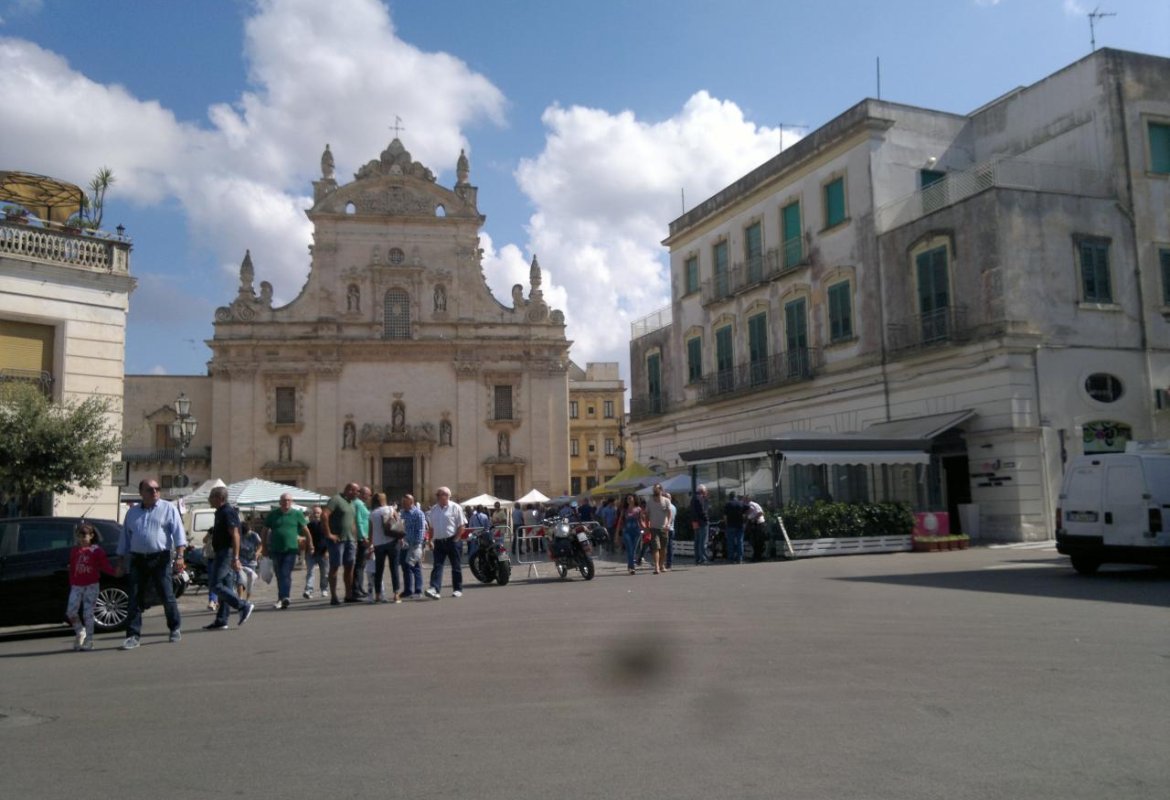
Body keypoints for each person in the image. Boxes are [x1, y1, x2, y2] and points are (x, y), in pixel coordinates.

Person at [117, 478, 187, 649]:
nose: (155, 492)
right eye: (150, 489)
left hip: (160, 558)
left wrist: (180, 556)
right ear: (141, 493)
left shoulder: (168, 508)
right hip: (138, 559)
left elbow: (179, 534)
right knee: (134, 597)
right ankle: (133, 636)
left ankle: (174, 627)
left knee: (166, 595)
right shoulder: (132, 513)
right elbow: (125, 538)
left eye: (157, 489)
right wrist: (120, 562)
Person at [203, 486, 256, 630]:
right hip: (221, 551)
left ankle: (243, 606)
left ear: (220, 498)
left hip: (226, 553)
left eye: (211, 496)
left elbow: (236, 534)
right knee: (225, 587)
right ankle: (222, 619)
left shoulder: (227, 512)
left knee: (215, 584)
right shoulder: (220, 512)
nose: (209, 499)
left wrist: (236, 557)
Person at [66, 522, 115, 651]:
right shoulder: (75, 551)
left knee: (88, 613)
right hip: (77, 585)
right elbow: (72, 568)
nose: (82, 539)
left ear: (91, 536)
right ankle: (80, 631)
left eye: (85, 536)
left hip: (91, 585)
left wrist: (115, 572)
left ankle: (89, 640)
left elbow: (104, 566)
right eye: (79, 536)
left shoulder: (96, 550)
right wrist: (72, 582)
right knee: (71, 611)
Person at [264, 493, 310, 609]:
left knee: (285, 573)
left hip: (291, 549)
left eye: (289, 500)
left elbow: (306, 530)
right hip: (275, 549)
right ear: (280, 502)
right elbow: (264, 531)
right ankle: (281, 598)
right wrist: (264, 547)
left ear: (292, 502)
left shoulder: (297, 514)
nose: (286, 502)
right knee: (280, 575)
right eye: (284, 500)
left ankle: (285, 597)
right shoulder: (273, 515)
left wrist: (311, 544)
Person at [424, 486, 466, 599]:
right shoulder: (433, 509)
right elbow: (431, 528)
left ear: (447, 496)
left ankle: (457, 589)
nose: (437, 497)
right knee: (437, 565)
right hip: (439, 541)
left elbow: (462, 526)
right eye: (437, 495)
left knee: (456, 566)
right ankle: (434, 589)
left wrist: (456, 539)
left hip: (452, 540)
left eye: (439, 494)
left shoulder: (455, 508)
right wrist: (430, 540)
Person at [323, 482, 359, 605]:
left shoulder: (352, 503)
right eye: (356, 491)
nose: (358, 494)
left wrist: (354, 536)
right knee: (335, 566)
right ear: (350, 490)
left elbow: (351, 520)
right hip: (337, 540)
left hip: (350, 540)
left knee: (350, 567)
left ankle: (348, 595)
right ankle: (333, 596)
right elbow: (324, 515)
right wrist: (329, 534)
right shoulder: (335, 500)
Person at [368, 492, 402, 603]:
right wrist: (401, 538)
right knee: (394, 568)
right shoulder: (391, 509)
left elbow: (370, 531)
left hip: (378, 544)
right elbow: (398, 524)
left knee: (379, 570)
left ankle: (377, 595)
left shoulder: (372, 513)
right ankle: (396, 594)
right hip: (392, 542)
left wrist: (370, 544)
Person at [398, 494, 426, 600]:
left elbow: (420, 529)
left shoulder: (418, 514)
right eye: (402, 503)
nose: (403, 504)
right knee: (405, 567)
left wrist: (417, 544)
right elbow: (399, 527)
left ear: (411, 502)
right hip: (404, 545)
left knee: (415, 567)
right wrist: (400, 538)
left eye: (405, 503)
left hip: (414, 544)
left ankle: (418, 590)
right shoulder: (402, 513)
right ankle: (408, 590)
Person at [645, 483, 673, 575]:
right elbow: (647, 515)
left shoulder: (666, 501)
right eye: (654, 489)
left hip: (664, 528)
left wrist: (668, 524)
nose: (655, 491)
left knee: (663, 548)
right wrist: (647, 526)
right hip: (653, 528)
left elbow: (669, 514)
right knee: (656, 547)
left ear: (661, 490)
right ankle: (656, 566)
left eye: (657, 489)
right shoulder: (650, 502)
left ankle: (661, 565)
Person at [303, 505, 329, 599]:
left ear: (321, 514)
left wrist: (327, 551)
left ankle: (324, 589)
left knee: (325, 573)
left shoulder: (326, 525)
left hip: (323, 552)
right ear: (311, 514)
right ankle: (308, 590)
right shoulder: (309, 525)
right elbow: (305, 538)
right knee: (310, 572)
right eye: (314, 513)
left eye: (318, 513)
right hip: (311, 552)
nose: (316, 515)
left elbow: (328, 538)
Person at [351, 486, 372, 598]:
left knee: (361, 565)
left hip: (362, 538)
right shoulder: (359, 504)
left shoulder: (360, 504)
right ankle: (356, 589)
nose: (369, 497)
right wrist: (363, 536)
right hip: (361, 539)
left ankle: (359, 588)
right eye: (368, 494)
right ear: (363, 494)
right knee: (359, 565)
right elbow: (358, 521)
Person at [618, 494, 646, 574]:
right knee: (630, 549)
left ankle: (630, 565)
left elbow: (641, 521)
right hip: (626, 531)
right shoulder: (624, 510)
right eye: (627, 498)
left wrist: (645, 529)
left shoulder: (638, 509)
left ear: (634, 499)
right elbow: (620, 521)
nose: (629, 500)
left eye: (630, 498)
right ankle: (631, 567)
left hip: (636, 531)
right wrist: (617, 534)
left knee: (633, 550)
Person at [238, 520, 262, 601]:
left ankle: (247, 600)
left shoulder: (254, 535)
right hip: (241, 561)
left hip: (251, 561)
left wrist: (257, 553)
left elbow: (260, 545)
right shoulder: (239, 535)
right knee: (240, 580)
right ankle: (240, 598)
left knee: (250, 581)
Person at [723, 492, 747, 564]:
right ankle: (740, 558)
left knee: (731, 542)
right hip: (740, 525)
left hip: (730, 525)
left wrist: (726, 524)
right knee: (740, 541)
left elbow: (725, 517)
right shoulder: (741, 503)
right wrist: (745, 518)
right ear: (736, 497)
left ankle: (731, 559)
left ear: (729, 497)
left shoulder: (727, 504)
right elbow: (748, 508)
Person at [690, 484, 711, 565]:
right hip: (702, 522)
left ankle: (697, 558)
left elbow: (693, 511)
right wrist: (706, 519)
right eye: (705, 490)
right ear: (702, 491)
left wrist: (694, 520)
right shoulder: (700, 498)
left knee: (698, 541)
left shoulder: (693, 498)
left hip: (695, 522)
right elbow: (703, 511)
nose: (706, 492)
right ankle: (703, 558)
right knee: (703, 541)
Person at [745, 494, 767, 562]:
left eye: (745, 499)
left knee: (758, 540)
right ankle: (757, 556)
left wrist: (754, 519)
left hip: (758, 523)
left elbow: (760, 513)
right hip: (755, 523)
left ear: (748, 499)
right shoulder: (750, 505)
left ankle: (758, 556)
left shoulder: (752, 504)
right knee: (755, 540)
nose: (744, 500)